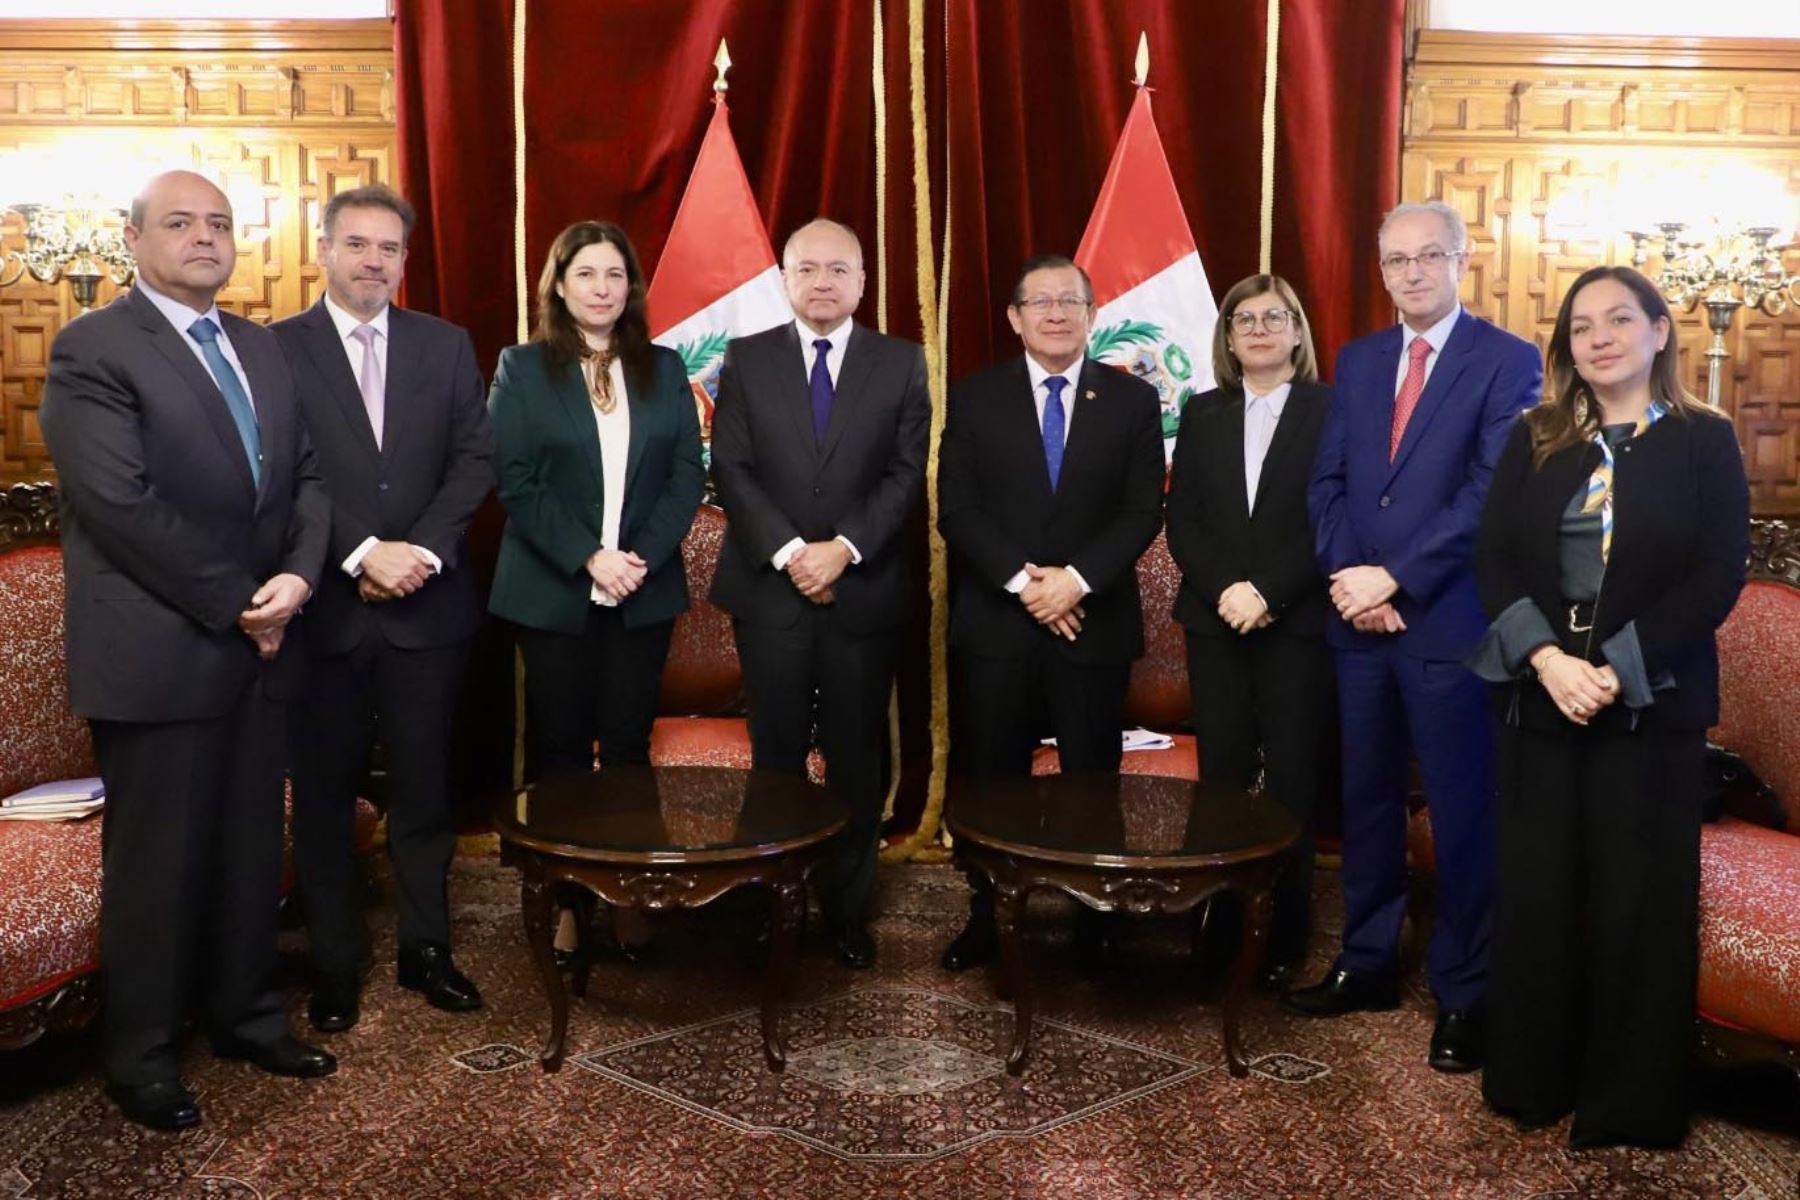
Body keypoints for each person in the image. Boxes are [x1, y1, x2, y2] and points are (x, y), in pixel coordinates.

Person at [39, 170, 334, 1131]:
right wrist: (238, 603)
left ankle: (247, 1015)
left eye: (218, 224)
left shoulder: (259, 342)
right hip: (162, 651)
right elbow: (119, 506)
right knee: (157, 867)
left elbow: (306, 476)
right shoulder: (92, 348)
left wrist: (296, 577)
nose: (204, 238)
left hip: (265, 641)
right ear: (133, 239)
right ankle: (145, 1053)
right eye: (180, 223)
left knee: (253, 848)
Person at [1471, 265, 1747, 1148]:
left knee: (1639, 901)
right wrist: (1550, 660)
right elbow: (1494, 564)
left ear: (1660, 331)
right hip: (1541, 690)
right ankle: (1532, 1079)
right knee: (1539, 892)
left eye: (1619, 319)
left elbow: (1717, 576)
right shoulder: (1536, 436)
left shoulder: (1706, 439)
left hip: (1652, 702)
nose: (1598, 337)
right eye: (1581, 325)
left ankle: (1629, 1101)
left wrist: (1615, 671)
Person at [1292, 199, 1542, 1073]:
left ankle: (1465, 994)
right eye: (1396, 260)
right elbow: (1327, 485)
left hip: (1449, 626)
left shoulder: (1508, 362)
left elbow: (1491, 492)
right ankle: (1366, 961)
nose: (1412, 273)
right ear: (1382, 270)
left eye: (1429, 256)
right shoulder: (1358, 362)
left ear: (1462, 260)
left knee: (1464, 813)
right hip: (1359, 625)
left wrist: (1394, 577)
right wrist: (1352, 582)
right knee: (1363, 803)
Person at [273, 183, 494, 1032]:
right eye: (357, 244)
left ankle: (427, 950)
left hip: (427, 612)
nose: (374, 261)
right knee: (326, 799)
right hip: (325, 612)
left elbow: (473, 462)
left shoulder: (445, 347)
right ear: (323, 249)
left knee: (426, 792)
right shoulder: (275, 349)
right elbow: (285, 473)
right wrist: (363, 552)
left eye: (389, 248)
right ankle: (336, 963)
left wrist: (420, 555)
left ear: (405, 259)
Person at [709, 217, 930, 969]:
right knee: (774, 758)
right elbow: (731, 468)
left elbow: (905, 474)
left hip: (862, 594)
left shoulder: (902, 363)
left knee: (854, 761)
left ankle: (845, 911)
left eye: (840, 269)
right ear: (785, 278)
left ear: (863, 281)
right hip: (770, 594)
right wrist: (793, 554)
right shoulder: (745, 359)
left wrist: (842, 551)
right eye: (808, 268)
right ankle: (774, 903)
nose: (824, 282)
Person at [937, 253, 1165, 971]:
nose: (1057, 313)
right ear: (1015, 317)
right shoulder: (975, 397)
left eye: (1071, 301)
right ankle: (987, 916)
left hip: (1092, 621)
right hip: (999, 624)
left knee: (1091, 779)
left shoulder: (1132, 401)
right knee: (993, 778)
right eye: (1041, 302)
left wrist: (1076, 582)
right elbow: (958, 509)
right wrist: (1026, 585)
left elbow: (1141, 511)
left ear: (1094, 315)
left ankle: (1095, 920)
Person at [488, 221, 705, 954]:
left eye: (615, 275)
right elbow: (515, 482)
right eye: (586, 275)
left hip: (642, 587)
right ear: (558, 284)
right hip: (552, 589)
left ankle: (630, 894)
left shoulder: (666, 368)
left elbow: (685, 476)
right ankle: (570, 899)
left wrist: (635, 557)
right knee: (559, 752)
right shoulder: (523, 368)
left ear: (631, 287)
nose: (602, 289)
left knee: (626, 746)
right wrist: (589, 558)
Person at [1166, 274, 1332, 991]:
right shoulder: (1202, 413)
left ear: (1297, 331)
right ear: (1228, 338)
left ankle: (1283, 935)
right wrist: (1228, 590)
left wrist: (1268, 591)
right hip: (1215, 621)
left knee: (1292, 783)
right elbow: (1185, 523)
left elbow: (1334, 519)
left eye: (1275, 317)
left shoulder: (1332, 412)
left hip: (1296, 623)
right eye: (1244, 319)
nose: (1259, 329)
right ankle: (1221, 928)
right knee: (1223, 783)